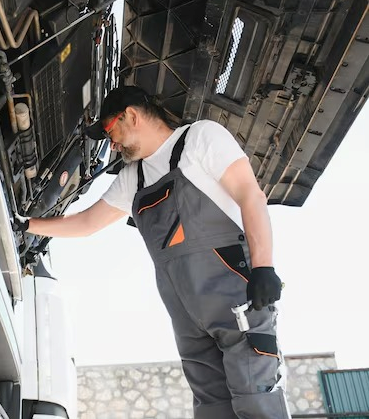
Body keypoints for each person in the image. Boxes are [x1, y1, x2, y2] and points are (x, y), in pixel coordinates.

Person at [15, 85, 290, 419]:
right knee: (213, 410)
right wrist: (26, 225)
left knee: (256, 401)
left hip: (236, 303)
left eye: (110, 130)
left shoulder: (200, 139)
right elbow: (87, 223)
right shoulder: (134, 178)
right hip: (187, 318)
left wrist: (263, 268)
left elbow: (250, 195)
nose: (111, 144)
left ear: (132, 116)